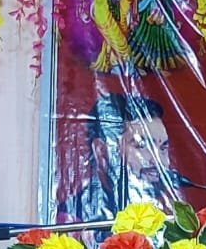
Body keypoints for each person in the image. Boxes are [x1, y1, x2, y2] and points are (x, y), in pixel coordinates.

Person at [62, 91, 180, 223]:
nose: (158, 161)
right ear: (102, 152)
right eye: (142, 146)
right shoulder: (72, 219)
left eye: (163, 148)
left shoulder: (172, 215)